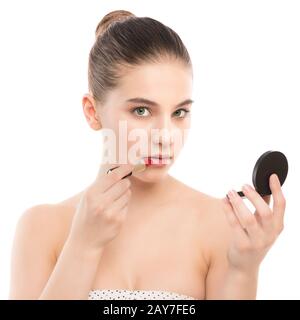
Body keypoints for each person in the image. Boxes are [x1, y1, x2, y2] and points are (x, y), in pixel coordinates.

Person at [9, 10, 286, 300]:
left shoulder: (220, 225)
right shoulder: (41, 229)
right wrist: (83, 244)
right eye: (141, 111)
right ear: (93, 112)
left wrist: (245, 269)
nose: (166, 137)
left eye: (179, 112)